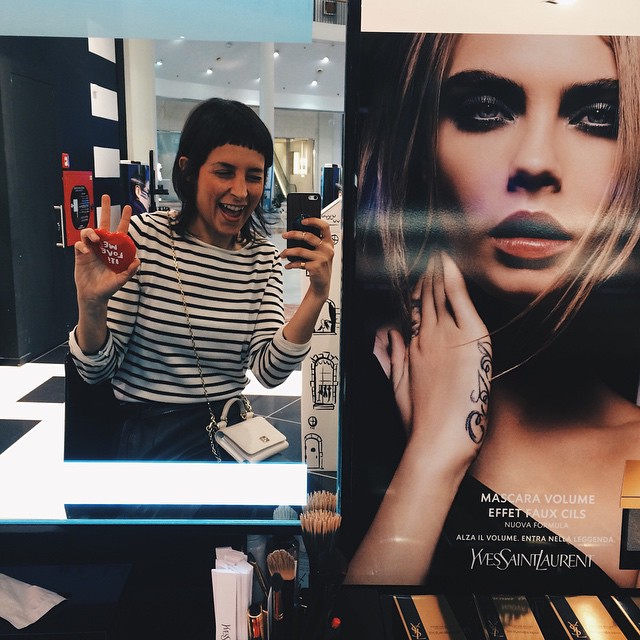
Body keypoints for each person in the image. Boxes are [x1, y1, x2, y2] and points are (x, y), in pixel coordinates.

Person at [343, 32, 640, 592]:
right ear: (420, 152)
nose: (535, 164)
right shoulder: (357, 403)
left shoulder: (637, 460)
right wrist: (433, 455)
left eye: (597, 117)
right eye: (485, 111)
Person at [69, 97, 333, 462]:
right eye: (224, 172)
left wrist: (317, 294)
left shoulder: (262, 258)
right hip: (151, 439)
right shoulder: (145, 238)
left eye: (254, 176)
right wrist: (91, 306)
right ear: (189, 170)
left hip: (228, 431)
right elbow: (97, 370)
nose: (241, 191)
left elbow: (270, 372)